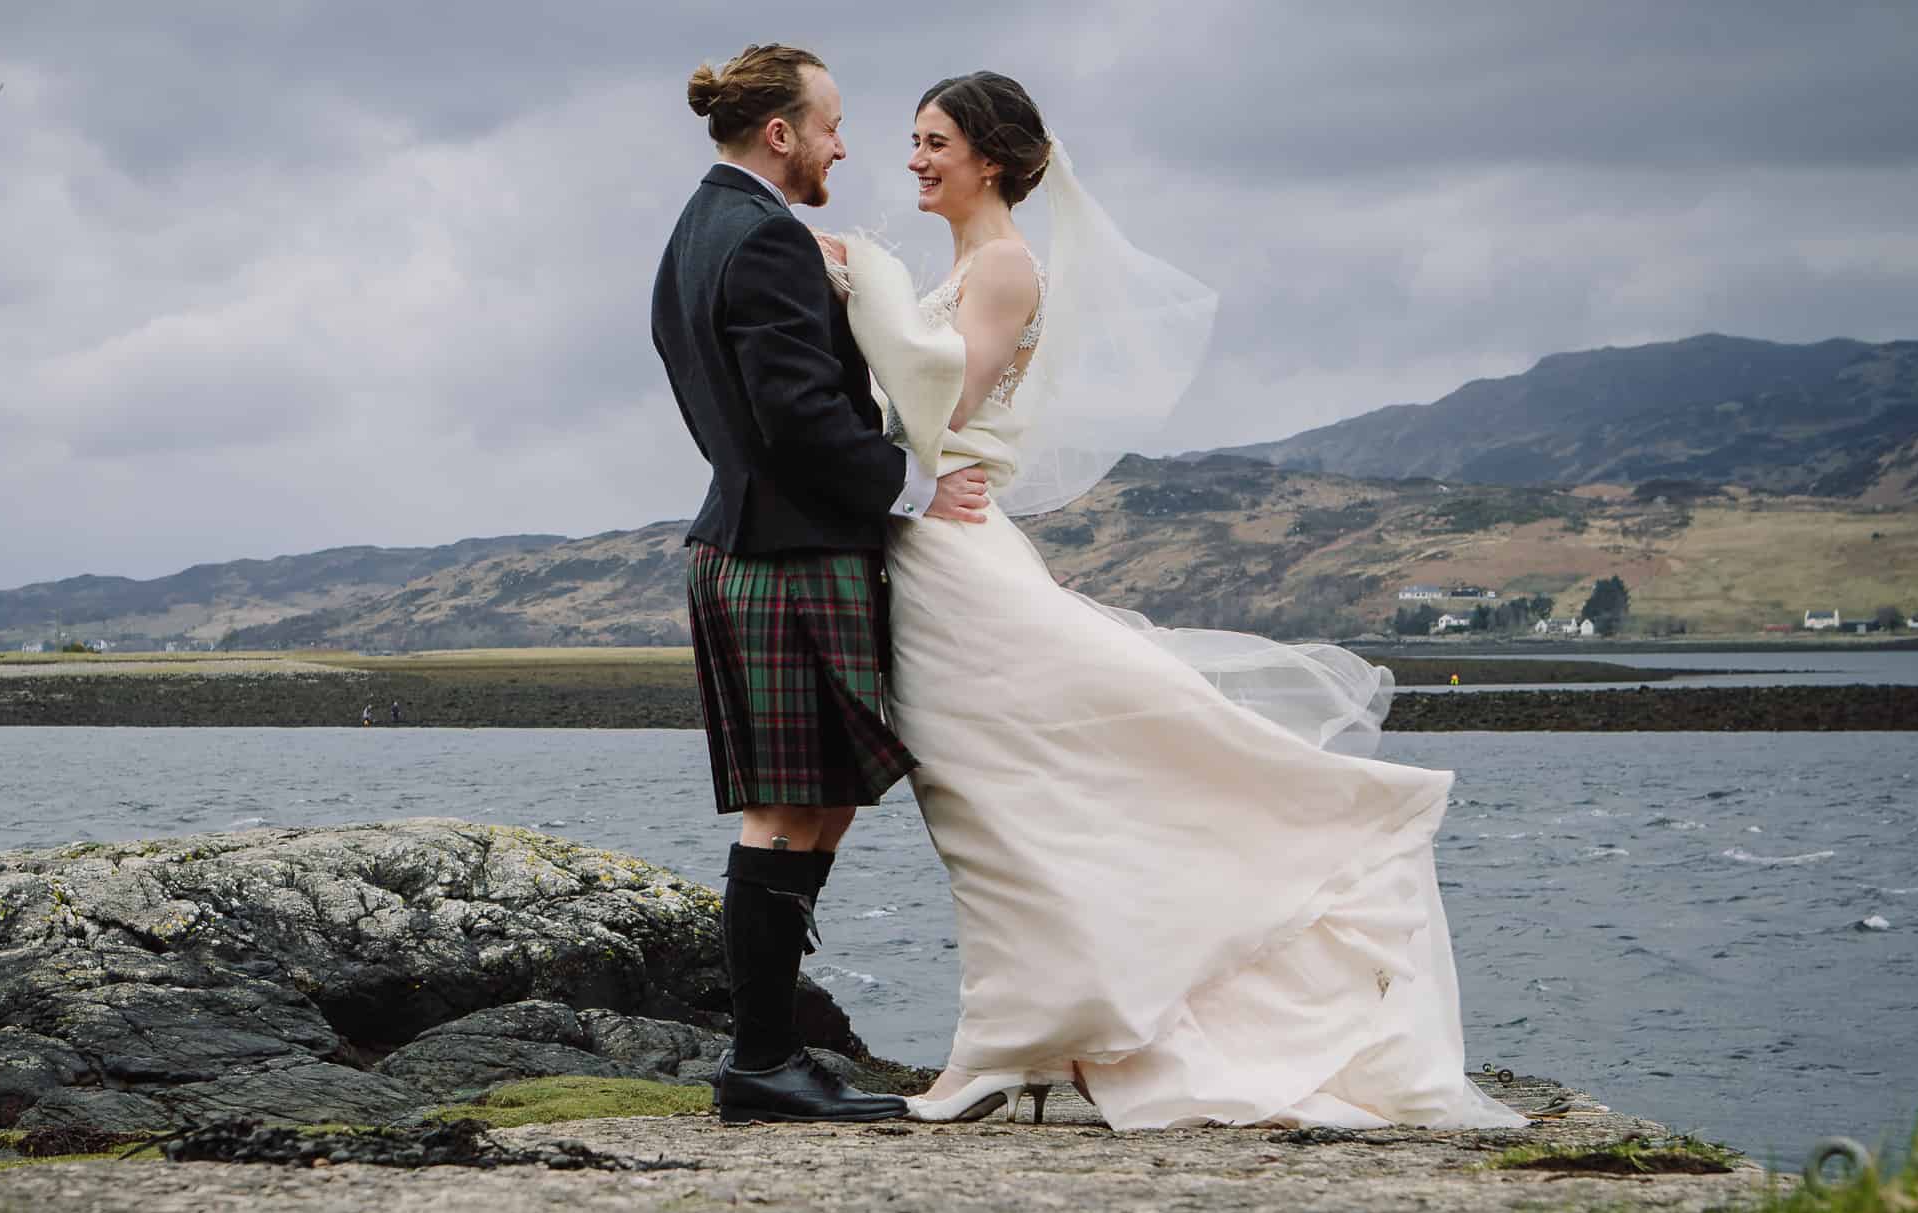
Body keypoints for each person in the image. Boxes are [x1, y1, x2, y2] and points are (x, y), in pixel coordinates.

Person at [830, 73, 1527, 1134]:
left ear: (992, 157)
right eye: (913, 140)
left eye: (935, 142)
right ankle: (1035, 1035)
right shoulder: (968, 263)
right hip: (933, 551)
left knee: (994, 804)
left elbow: (945, 400)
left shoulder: (1008, 264)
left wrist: (864, 282)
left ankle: (1005, 1046)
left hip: (959, 558)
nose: (915, 159)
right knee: (990, 807)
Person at [651, 44, 993, 1123]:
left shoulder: (700, 231)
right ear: (781, 134)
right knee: (787, 810)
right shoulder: (763, 240)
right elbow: (796, 413)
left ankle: (770, 1053)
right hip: (784, 553)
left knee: (823, 799)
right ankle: (759, 1062)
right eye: (833, 125)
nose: (847, 146)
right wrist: (912, 487)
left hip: (764, 542)